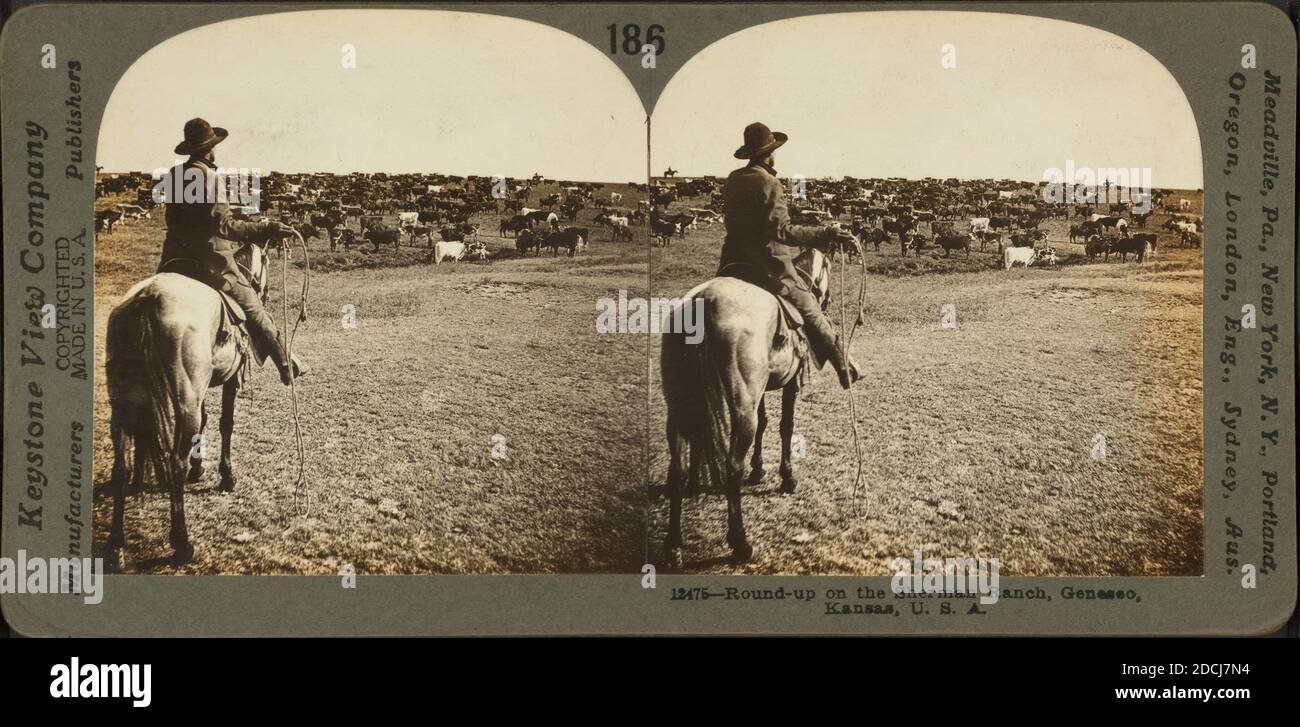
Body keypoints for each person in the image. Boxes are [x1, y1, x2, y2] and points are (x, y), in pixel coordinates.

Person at [158, 118, 307, 385]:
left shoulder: (174, 176)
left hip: (173, 261)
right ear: (210, 149)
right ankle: (285, 362)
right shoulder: (210, 177)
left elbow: (178, 220)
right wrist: (267, 227)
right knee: (254, 306)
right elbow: (224, 226)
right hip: (209, 263)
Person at [718, 122, 860, 388]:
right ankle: (844, 366)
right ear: (770, 153)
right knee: (811, 309)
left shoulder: (733, 179)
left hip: (732, 266)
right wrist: (825, 233)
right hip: (767, 267)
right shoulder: (769, 182)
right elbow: (783, 231)